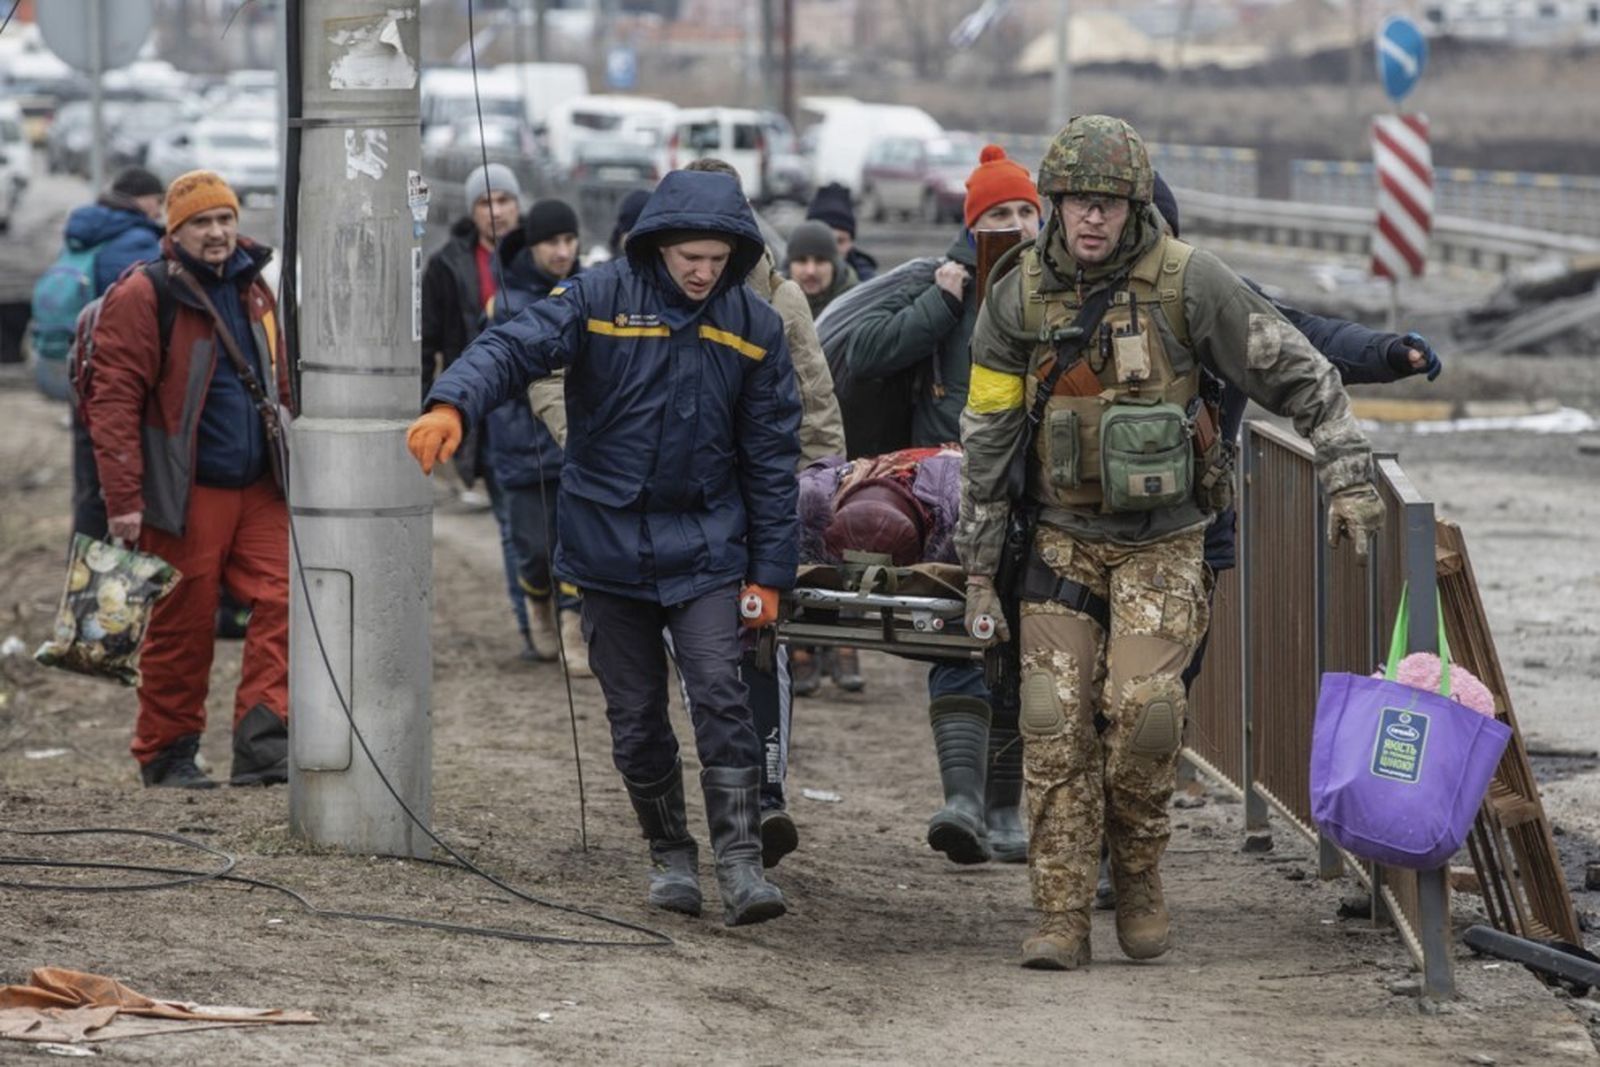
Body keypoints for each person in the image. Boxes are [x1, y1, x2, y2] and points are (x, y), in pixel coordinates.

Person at [958, 116, 1385, 970]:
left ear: (1134, 205)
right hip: (1058, 542)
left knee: (1147, 716)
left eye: (1108, 203)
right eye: (1076, 201)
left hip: (1166, 542)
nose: (1090, 219)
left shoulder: (1192, 284)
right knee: (1050, 724)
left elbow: (1298, 369)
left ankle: (1141, 875)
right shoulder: (1014, 297)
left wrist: (1347, 470)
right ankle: (1060, 913)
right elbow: (989, 439)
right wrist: (977, 575)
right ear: (1055, 203)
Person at [407, 169, 801, 926]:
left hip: (707, 545)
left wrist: (771, 572)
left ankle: (743, 863)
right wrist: (453, 402)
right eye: (689, 256)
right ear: (656, 246)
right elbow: (511, 346)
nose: (701, 272)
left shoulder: (754, 328)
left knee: (721, 690)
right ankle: (670, 856)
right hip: (606, 546)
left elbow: (771, 459)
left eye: (717, 259)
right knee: (636, 716)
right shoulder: (597, 299)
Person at [845, 144, 1043, 868]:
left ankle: (1003, 807)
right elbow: (865, 355)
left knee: (1021, 652)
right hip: (949, 499)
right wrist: (941, 303)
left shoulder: (1058, 287)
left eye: (1026, 211)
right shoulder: (937, 282)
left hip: (1038, 499)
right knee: (959, 637)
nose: (1016, 225)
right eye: (999, 214)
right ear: (973, 223)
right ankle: (961, 801)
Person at [86, 170, 291, 789]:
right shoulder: (145, 295)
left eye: (224, 218)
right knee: (183, 622)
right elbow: (113, 400)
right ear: (174, 231)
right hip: (184, 490)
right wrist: (123, 499)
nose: (217, 232)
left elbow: (280, 381)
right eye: (201, 222)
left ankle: (264, 745)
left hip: (258, 487)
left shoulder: (257, 287)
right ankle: (168, 752)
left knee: (288, 602)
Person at [680, 157, 846, 863]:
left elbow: (817, 405)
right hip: (683, 509)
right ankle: (733, 794)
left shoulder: (777, 299)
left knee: (761, 645)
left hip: (762, 501)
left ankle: (766, 794)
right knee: (703, 665)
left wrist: (821, 499)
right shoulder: (654, 292)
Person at [419, 163, 536, 659]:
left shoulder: (539, 253)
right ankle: (533, 625)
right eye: (486, 203)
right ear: (473, 211)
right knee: (511, 522)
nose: (498, 211)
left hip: (536, 402)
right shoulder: (450, 264)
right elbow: (431, 337)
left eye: (505, 200)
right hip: (482, 409)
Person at [484, 198, 591, 675]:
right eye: (553, 242)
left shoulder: (589, 293)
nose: (563, 251)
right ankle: (538, 607)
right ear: (533, 246)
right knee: (532, 549)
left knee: (577, 542)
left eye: (569, 241)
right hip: (522, 445)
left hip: (576, 441)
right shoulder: (506, 302)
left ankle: (573, 629)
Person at [56, 167, 166, 540]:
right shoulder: (134, 240)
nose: (159, 210)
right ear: (143, 199)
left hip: (79, 364)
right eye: (157, 201)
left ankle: (84, 580)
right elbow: (135, 309)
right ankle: (106, 588)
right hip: (112, 373)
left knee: (88, 487)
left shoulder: (88, 230)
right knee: (114, 487)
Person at [784, 220, 858, 318]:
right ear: (789, 266)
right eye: (802, 260)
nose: (811, 271)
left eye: (820, 260)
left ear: (834, 266)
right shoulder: (772, 307)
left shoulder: (857, 307)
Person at [806, 182, 878, 281]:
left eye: (840, 241)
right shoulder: (786, 279)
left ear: (851, 243)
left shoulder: (867, 283)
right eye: (824, 241)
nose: (833, 250)